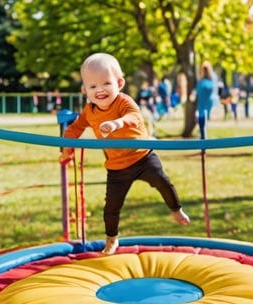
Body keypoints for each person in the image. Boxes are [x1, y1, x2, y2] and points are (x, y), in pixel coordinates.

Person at [59, 53, 190, 255]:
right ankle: (112, 239)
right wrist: (67, 148)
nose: (99, 90)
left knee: (163, 182)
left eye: (106, 84)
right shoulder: (89, 111)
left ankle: (176, 209)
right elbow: (75, 129)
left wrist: (116, 123)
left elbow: (134, 117)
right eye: (92, 87)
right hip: (117, 167)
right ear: (85, 90)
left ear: (119, 83)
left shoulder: (123, 102)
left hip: (143, 157)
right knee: (111, 207)